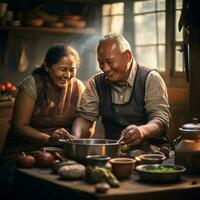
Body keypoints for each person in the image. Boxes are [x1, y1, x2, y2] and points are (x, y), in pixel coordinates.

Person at [72, 33, 170, 146]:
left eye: (109, 62)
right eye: (101, 63)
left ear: (127, 56)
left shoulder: (150, 78)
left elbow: (161, 120)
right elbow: (84, 118)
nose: (105, 68)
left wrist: (142, 131)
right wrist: (74, 139)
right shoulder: (96, 83)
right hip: (114, 153)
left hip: (151, 154)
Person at [1, 43, 85, 160]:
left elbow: (83, 125)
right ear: (46, 67)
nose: (67, 75)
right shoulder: (32, 84)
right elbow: (19, 126)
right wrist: (50, 139)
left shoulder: (79, 87)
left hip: (61, 153)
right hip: (24, 152)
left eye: (72, 70)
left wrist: (72, 139)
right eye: (62, 69)